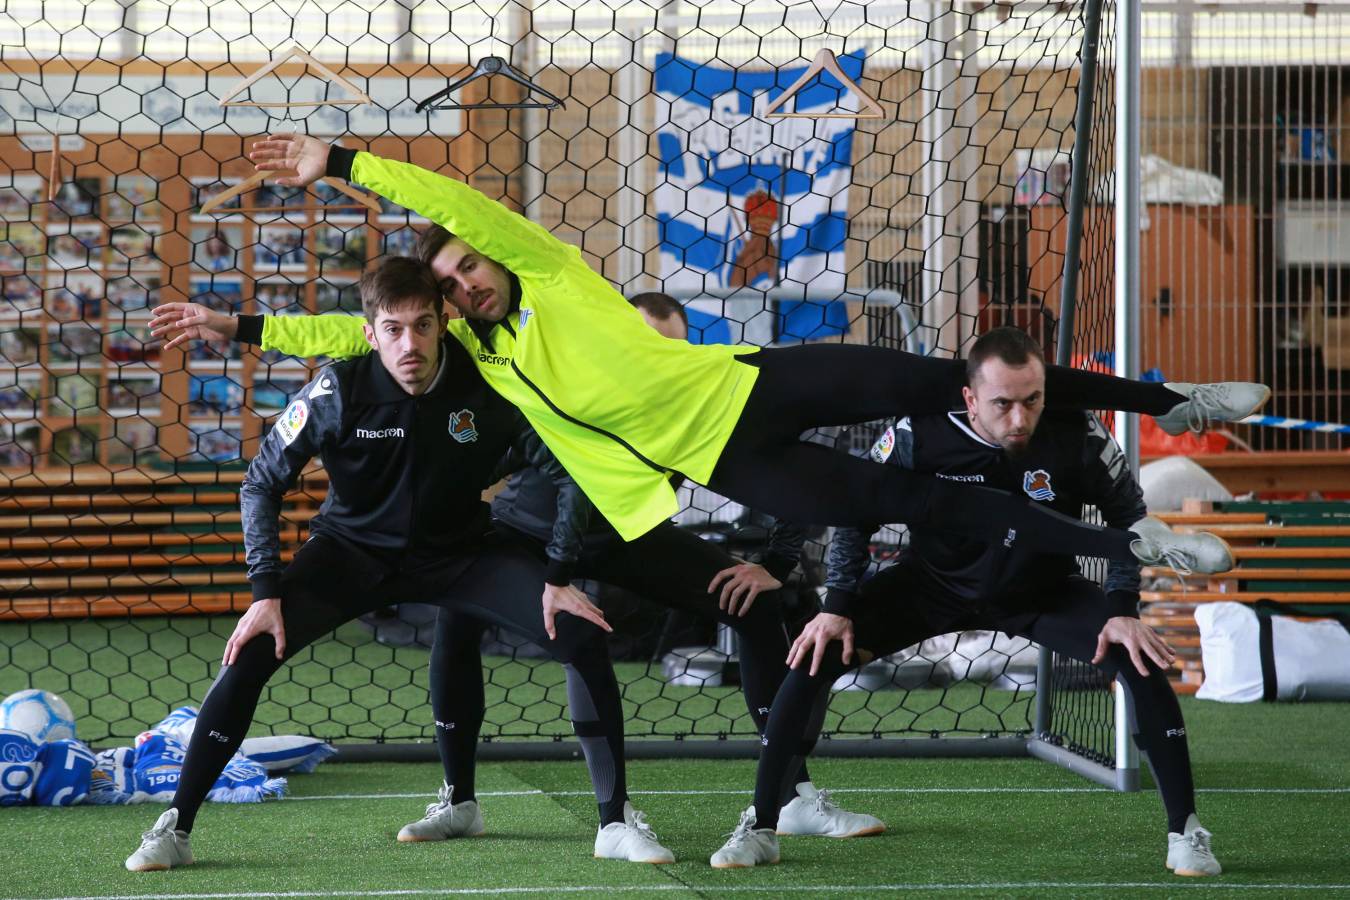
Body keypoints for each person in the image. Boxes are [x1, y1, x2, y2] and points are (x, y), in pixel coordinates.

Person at [187, 135, 1259, 574]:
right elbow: (354, 338)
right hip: (728, 464)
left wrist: (348, 162)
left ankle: (1185, 396)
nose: (467, 283)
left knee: (958, 378)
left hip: (753, 383)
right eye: (451, 283)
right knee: (914, 502)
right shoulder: (484, 354)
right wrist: (240, 328)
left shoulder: (550, 273)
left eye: (472, 268)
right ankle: (1137, 546)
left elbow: (460, 202)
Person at [152, 290, 885, 845]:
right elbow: (380, 339)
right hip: (528, 532)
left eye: (668, 349)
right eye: (639, 344)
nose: (653, 359)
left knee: (754, 606)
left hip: (622, 535)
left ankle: (790, 796)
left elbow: (786, 470)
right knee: (462, 617)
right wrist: (245, 329)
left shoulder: (695, 400)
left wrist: (779, 561)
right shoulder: (549, 385)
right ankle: (458, 799)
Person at [125, 258, 668, 872]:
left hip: (460, 554)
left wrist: (558, 576)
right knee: (251, 652)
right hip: (350, 555)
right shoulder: (337, 391)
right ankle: (176, 826)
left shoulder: (488, 384)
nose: (410, 344)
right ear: (369, 333)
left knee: (579, 634)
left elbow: (567, 467)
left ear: (443, 325)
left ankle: (612, 821)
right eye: (393, 329)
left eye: (423, 326)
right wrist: (264, 591)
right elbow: (260, 484)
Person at [706, 327, 1222, 877]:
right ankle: (762, 825)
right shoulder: (917, 434)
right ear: (970, 397)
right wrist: (836, 605)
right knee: (812, 656)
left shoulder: (1080, 433)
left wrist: (1122, 608)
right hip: (931, 589)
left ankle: (1185, 832)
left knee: (1140, 664)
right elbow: (854, 514)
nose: (1019, 419)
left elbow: (1129, 519)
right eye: (1002, 404)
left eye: (1032, 400)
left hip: (1041, 593)